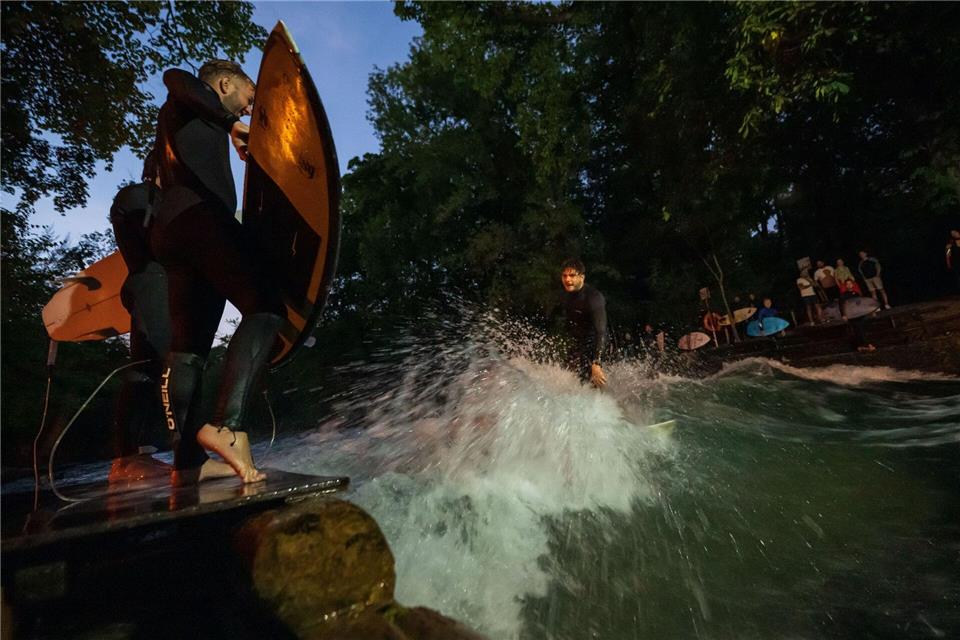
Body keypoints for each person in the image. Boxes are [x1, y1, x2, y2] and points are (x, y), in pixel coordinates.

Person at [149, 60, 286, 484]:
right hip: (201, 218)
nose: (249, 109)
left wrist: (227, 128)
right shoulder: (187, 94)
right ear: (225, 83)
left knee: (189, 350)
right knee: (265, 306)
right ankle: (227, 426)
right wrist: (230, 122)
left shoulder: (182, 121)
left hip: (171, 231)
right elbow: (176, 77)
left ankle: (187, 463)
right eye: (248, 97)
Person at [551, 258, 608, 387]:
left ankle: (606, 403)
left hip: (597, 344)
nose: (567, 279)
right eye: (564, 276)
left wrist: (597, 362)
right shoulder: (565, 295)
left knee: (591, 382)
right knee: (567, 377)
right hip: (580, 344)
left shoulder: (594, 298)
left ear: (582, 277)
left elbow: (601, 331)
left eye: (572, 275)